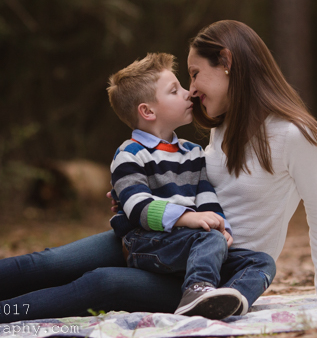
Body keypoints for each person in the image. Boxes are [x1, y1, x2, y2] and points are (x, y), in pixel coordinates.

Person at [0, 20, 317, 336]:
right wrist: (141, 198)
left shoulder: (295, 136)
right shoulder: (218, 134)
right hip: (160, 238)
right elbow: (183, 181)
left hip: (209, 269)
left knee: (100, 283)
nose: (193, 90)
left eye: (196, 74)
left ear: (228, 65)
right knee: (46, 262)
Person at [107, 52, 273, 319]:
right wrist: (190, 219)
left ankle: (229, 300)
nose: (188, 93)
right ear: (147, 111)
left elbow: (206, 197)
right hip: (147, 242)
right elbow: (138, 208)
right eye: (175, 90)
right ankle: (197, 290)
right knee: (207, 238)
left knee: (262, 261)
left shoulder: (192, 152)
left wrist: (222, 226)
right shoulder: (129, 153)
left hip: (192, 244)